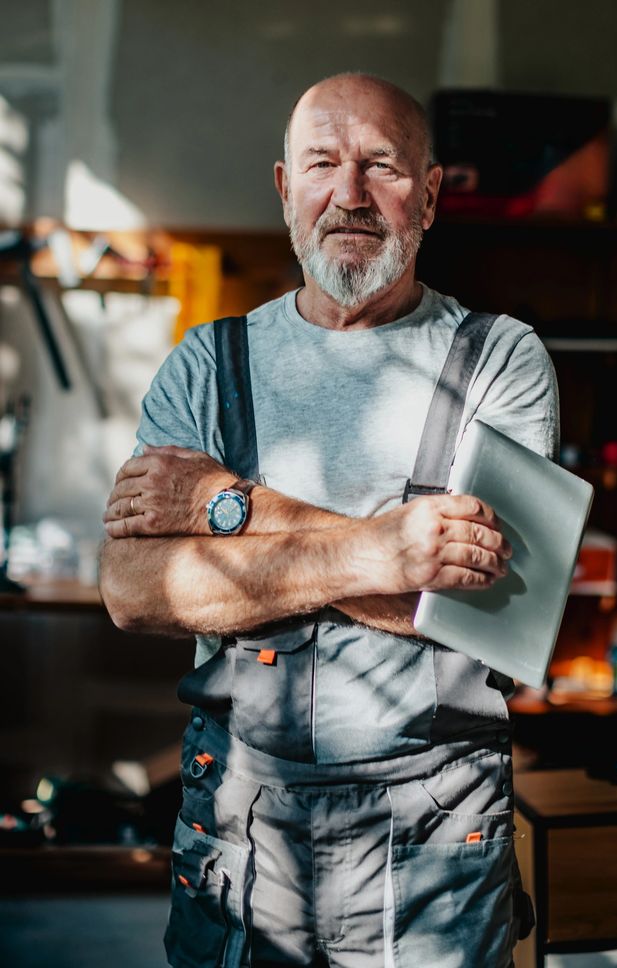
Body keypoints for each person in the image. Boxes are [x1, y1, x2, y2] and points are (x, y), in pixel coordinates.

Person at [100, 73, 558, 968]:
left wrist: (225, 511)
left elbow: (500, 623)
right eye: (322, 164)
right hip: (238, 833)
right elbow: (131, 589)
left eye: (380, 165)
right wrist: (391, 549)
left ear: (428, 195)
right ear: (285, 189)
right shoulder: (206, 363)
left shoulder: (501, 360)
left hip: (437, 841)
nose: (348, 195)